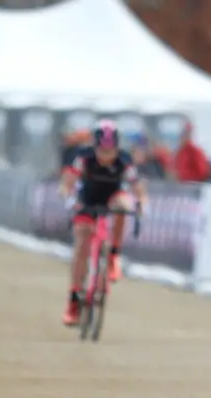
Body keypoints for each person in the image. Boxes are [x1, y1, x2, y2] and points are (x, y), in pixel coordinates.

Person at [59, 120, 146, 326]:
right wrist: (68, 198)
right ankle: (73, 299)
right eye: (102, 152)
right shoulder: (84, 158)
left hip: (111, 198)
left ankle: (114, 254)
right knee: (82, 242)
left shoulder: (125, 160)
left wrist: (140, 203)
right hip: (87, 200)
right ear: (95, 146)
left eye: (111, 152)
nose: (107, 157)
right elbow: (68, 182)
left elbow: (136, 186)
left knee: (123, 205)